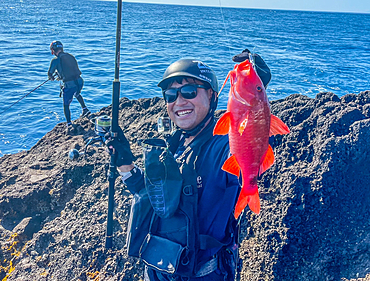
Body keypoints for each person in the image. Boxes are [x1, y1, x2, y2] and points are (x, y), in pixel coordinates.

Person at [107, 50, 271, 280]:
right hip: (156, 270)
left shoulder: (223, 145)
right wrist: (125, 164)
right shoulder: (173, 144)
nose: (179, 101)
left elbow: (250, 146)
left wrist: (257, 95)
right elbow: (157, 198)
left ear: (213, 96)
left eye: (189, 91)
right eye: (170, 95)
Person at [47, 40, 90, 134]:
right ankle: (85, 109)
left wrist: (52, 77)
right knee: (77, 94)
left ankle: (69, 123)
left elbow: (50, 73)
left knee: (66, 104)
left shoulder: (55, 60)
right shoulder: (70, 56)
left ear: (53, 50)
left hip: (69, 84)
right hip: (79, 82)